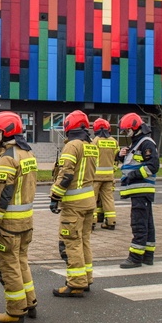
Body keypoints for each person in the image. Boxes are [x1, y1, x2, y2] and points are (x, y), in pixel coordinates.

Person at [0, 111, 38, 323]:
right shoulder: (28, 154)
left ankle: (15, 312)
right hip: (26, 222)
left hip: (9, 224)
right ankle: (30, 302)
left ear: (5, 131)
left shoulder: (8, 157)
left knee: (9, 266)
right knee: (21, 262)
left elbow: (3, 194)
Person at [49, 111, 98, 297]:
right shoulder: (91, 145)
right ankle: (86, 278)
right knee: (84, 240)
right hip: (89, 202)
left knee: (71, 242)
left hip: (74, 204)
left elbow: (66, 174)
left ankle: (76, 283)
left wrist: (55, 197)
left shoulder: (71, 146)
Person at [115, 113, 160, 268]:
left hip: (141, 189)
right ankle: (147, 256)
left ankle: (135, 258)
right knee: (147, 223)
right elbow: (133, 161)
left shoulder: (146, 143)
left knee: (139, 224)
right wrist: (120, 156)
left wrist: (133, 176)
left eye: (126, 131)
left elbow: (153, 166)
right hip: (139, 191)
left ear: (134, 128)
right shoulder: (138, 144)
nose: (125, 134)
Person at [92, 118, 119, 231]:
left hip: (95, 176)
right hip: (109, 176)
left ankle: (92, 222)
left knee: (92, 198)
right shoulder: (114, 141)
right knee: (108, 198)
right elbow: (117, 159)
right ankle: (111, 221)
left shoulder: (95, 141)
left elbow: (91, 158)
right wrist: (113, 170)